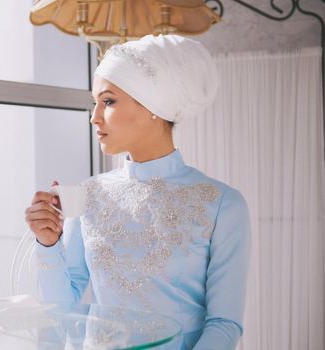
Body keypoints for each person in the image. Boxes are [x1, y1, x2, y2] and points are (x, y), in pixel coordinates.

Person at [24, 34, 251, 349]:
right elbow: (62, 308)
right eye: (95, 103)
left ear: (153, 106)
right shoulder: (87, 194)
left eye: (108, 101)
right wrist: (48, 243)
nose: (94, 117)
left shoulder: (223, 204)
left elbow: (224, 323)